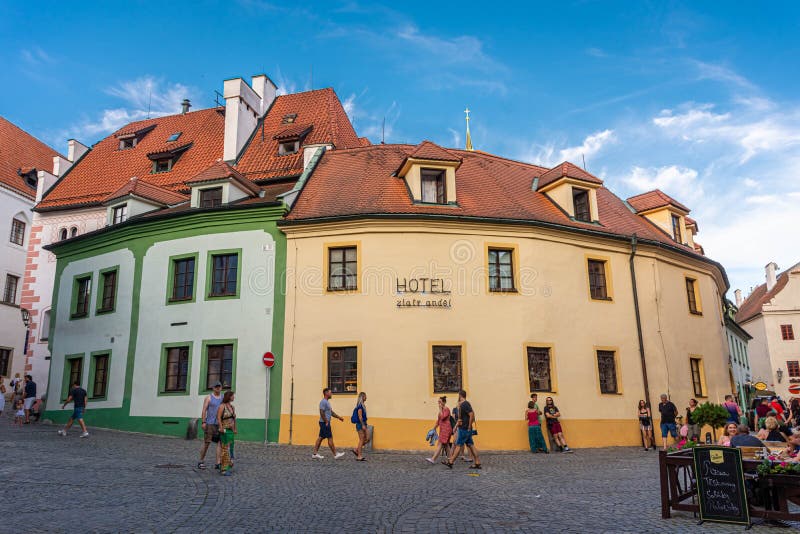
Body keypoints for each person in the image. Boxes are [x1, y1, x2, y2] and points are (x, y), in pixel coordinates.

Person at [444, 390, 481, 469]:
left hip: (464, 429)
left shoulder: (465, 404)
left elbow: (471, 414)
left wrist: (468, 426)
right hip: (465, 428)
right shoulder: (464, 404)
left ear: (460, 395)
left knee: (458, 445)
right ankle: (477, 462)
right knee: (471, 445)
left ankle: (451, 462)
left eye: (458, 395)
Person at [313, 388, 345, 459]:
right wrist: (326, 421)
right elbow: (321, 412)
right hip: (324, 423)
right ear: (326, 393)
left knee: (320, 438)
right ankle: (335, 454)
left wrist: (339, 417)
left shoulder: (327, 402)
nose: (331, 394)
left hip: (324, 422)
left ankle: (315, 454)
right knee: (330, 437)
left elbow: (331, 413)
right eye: (330, 392)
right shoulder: (323, 402)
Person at [197, 381, 223, 470]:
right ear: (213, 388)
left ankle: (218, 463)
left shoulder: (223, 398)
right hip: (210, 423)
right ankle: (201, 461)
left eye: (219, 386)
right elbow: (204, 410)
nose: (218, 388)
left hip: (220, 424)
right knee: (207, 443)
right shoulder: (209, 397)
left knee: (220, 443)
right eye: (216, 387)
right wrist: (203, 422)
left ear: (221, 387)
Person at [216, 391, 236, 476]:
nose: (234, 397)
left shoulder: (232, 407)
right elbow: (218, 418)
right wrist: (220, 427)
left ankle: (228, 464)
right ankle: (223, 469)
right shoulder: (222, 406)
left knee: (231, 449)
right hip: (224, 430)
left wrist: (235, 428)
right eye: (232, 396)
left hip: (231, 430)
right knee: (225, 449)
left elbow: (234, 419)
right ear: (229, 397)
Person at [427, 396, 452, 463]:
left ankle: (433, 459)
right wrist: (434, 429)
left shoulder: (446, 409)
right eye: (438, 402)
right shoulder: (441, 410)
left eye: (440, 402)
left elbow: (443, 417)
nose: (439, 403)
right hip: (443, 429)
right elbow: (438, 420)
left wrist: (440, 409)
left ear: (444, 402)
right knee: (446, 445)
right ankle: (450, 459)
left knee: (440, 443)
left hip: (446, 429)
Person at [351, 392, 369, 461]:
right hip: (360, 424)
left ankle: (356, 450)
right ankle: (359, 456)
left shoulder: (363, 405)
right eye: (365, 396)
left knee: (367, 438)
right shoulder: (360, 407)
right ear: (362, 397)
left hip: (364, 423)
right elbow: (360, 417)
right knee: (361, 440)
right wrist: (363, 425)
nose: (366, 397)